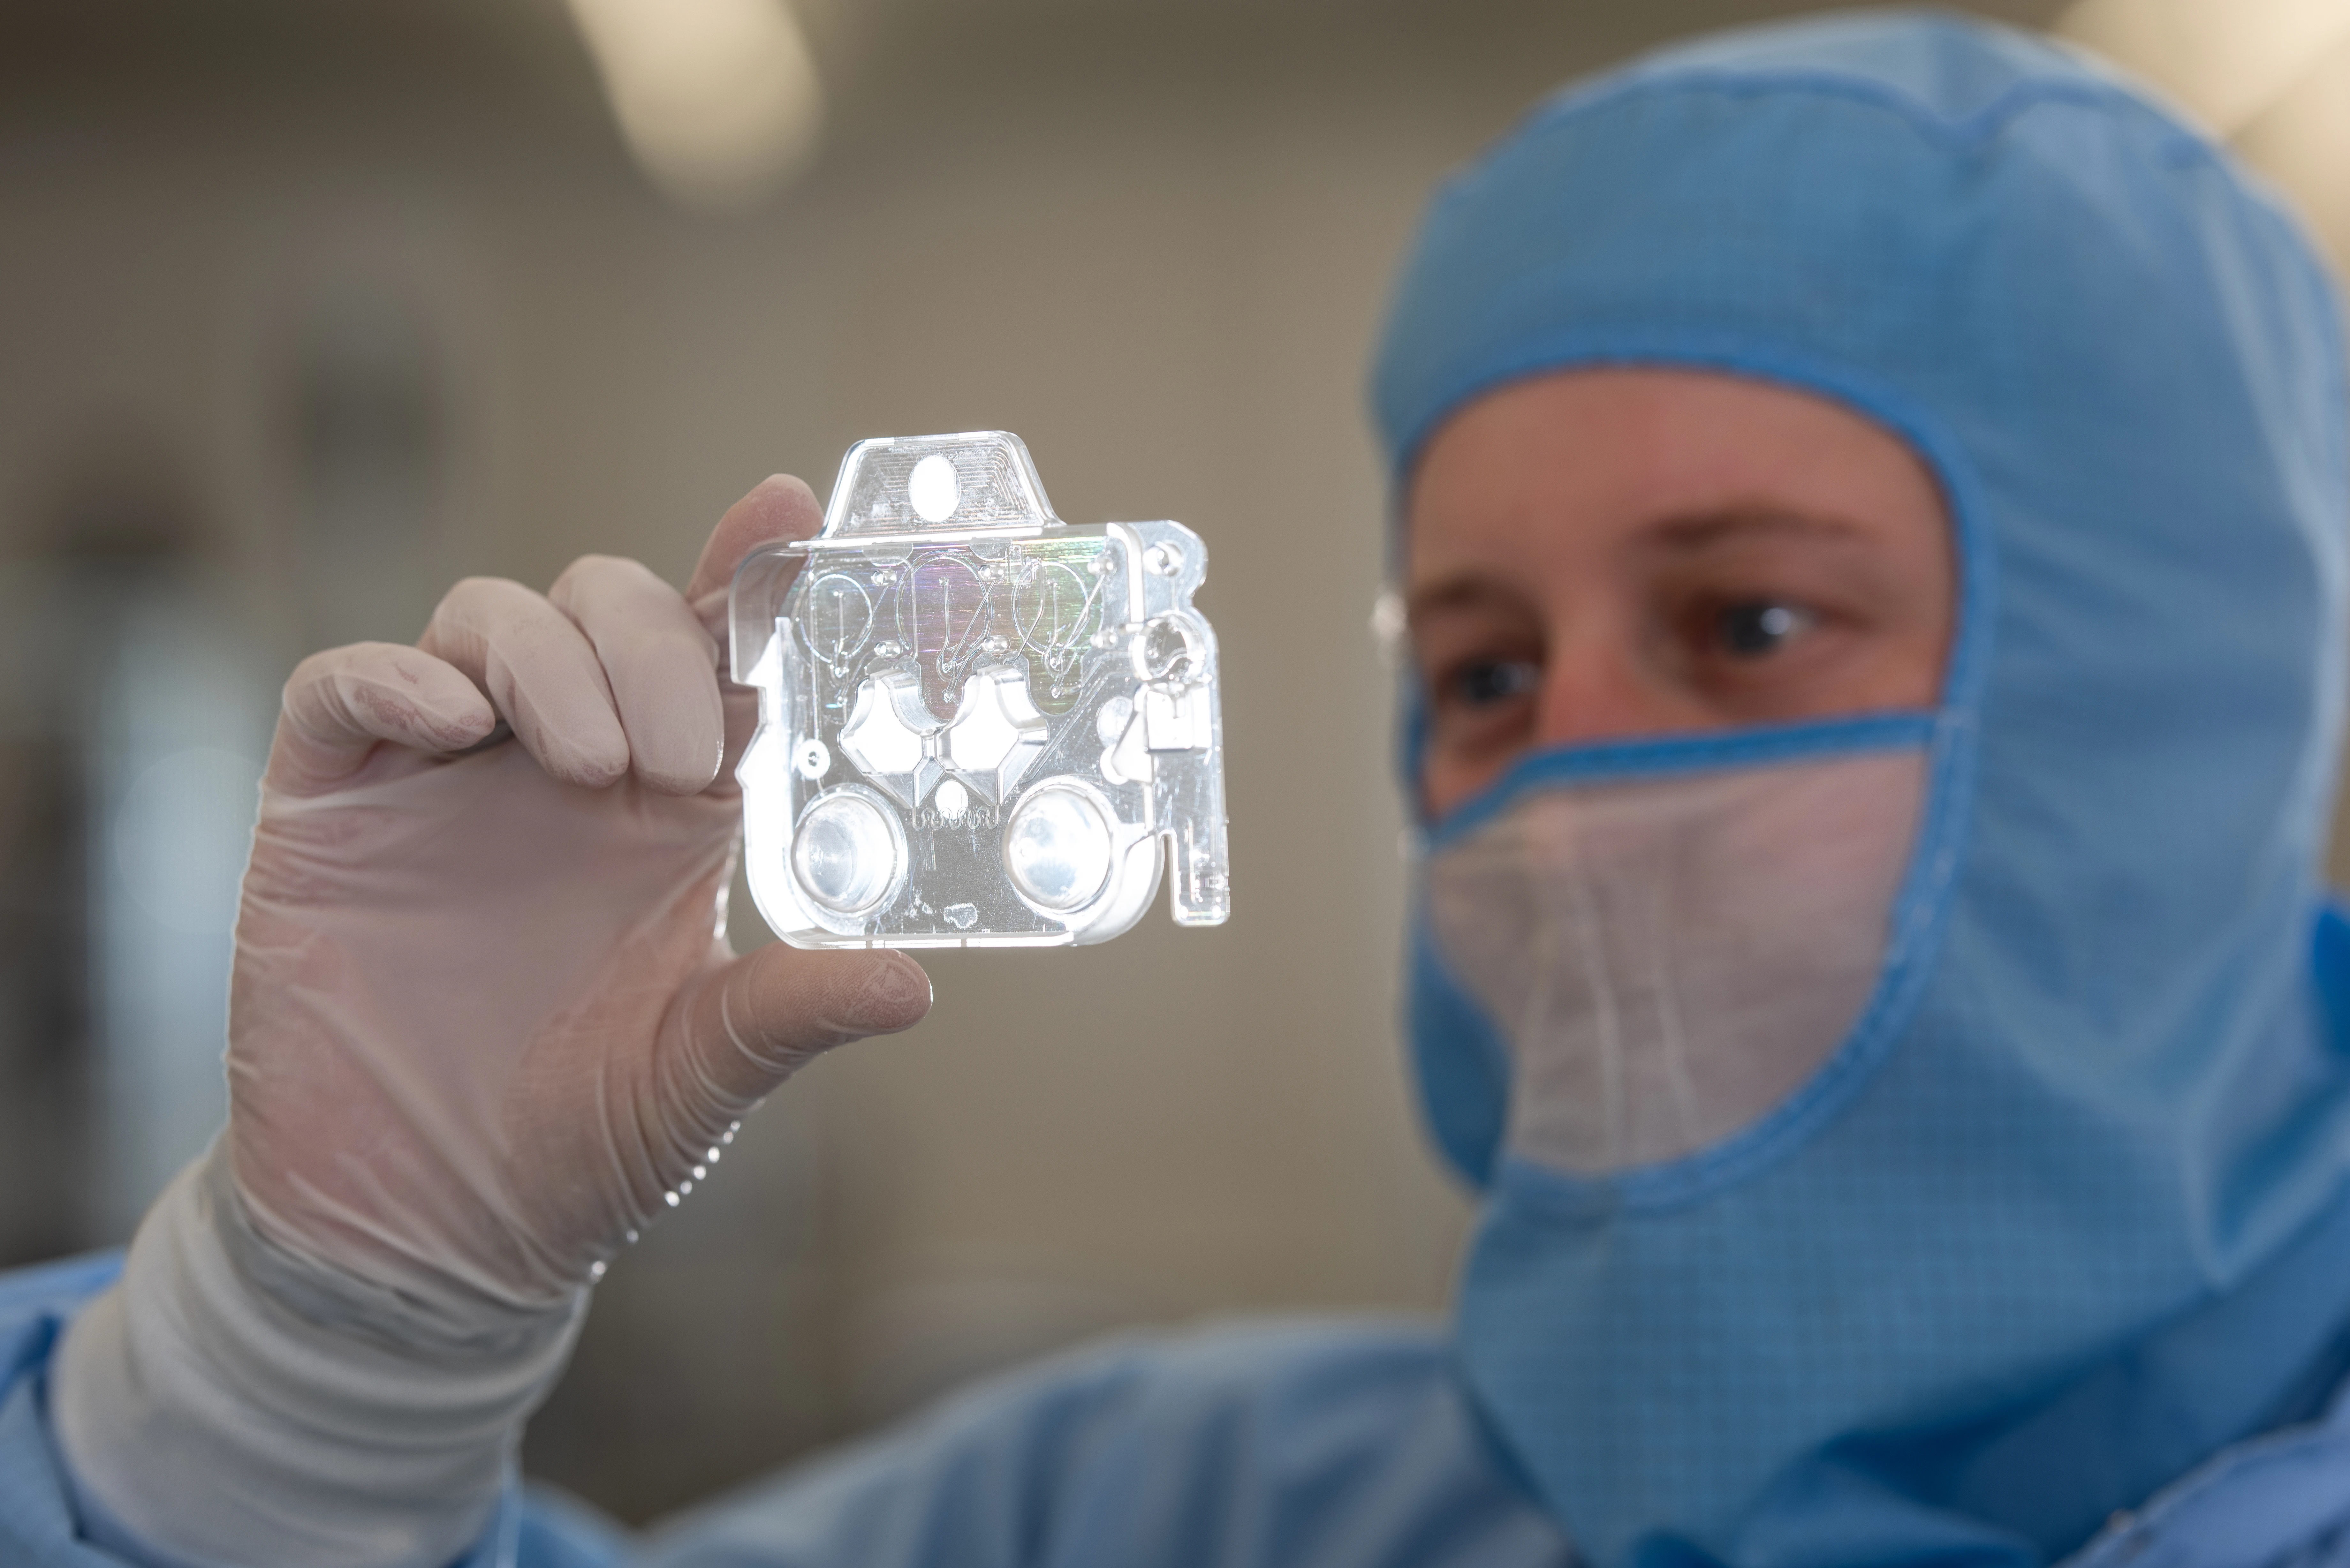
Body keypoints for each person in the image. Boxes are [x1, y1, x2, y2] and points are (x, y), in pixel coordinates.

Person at [5, 9, 2350, 1565]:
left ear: (2165, 698)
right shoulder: (1183, 1506)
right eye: (1485, 669)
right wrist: (302, 1368)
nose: (1571, 783)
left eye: (1747, 624)